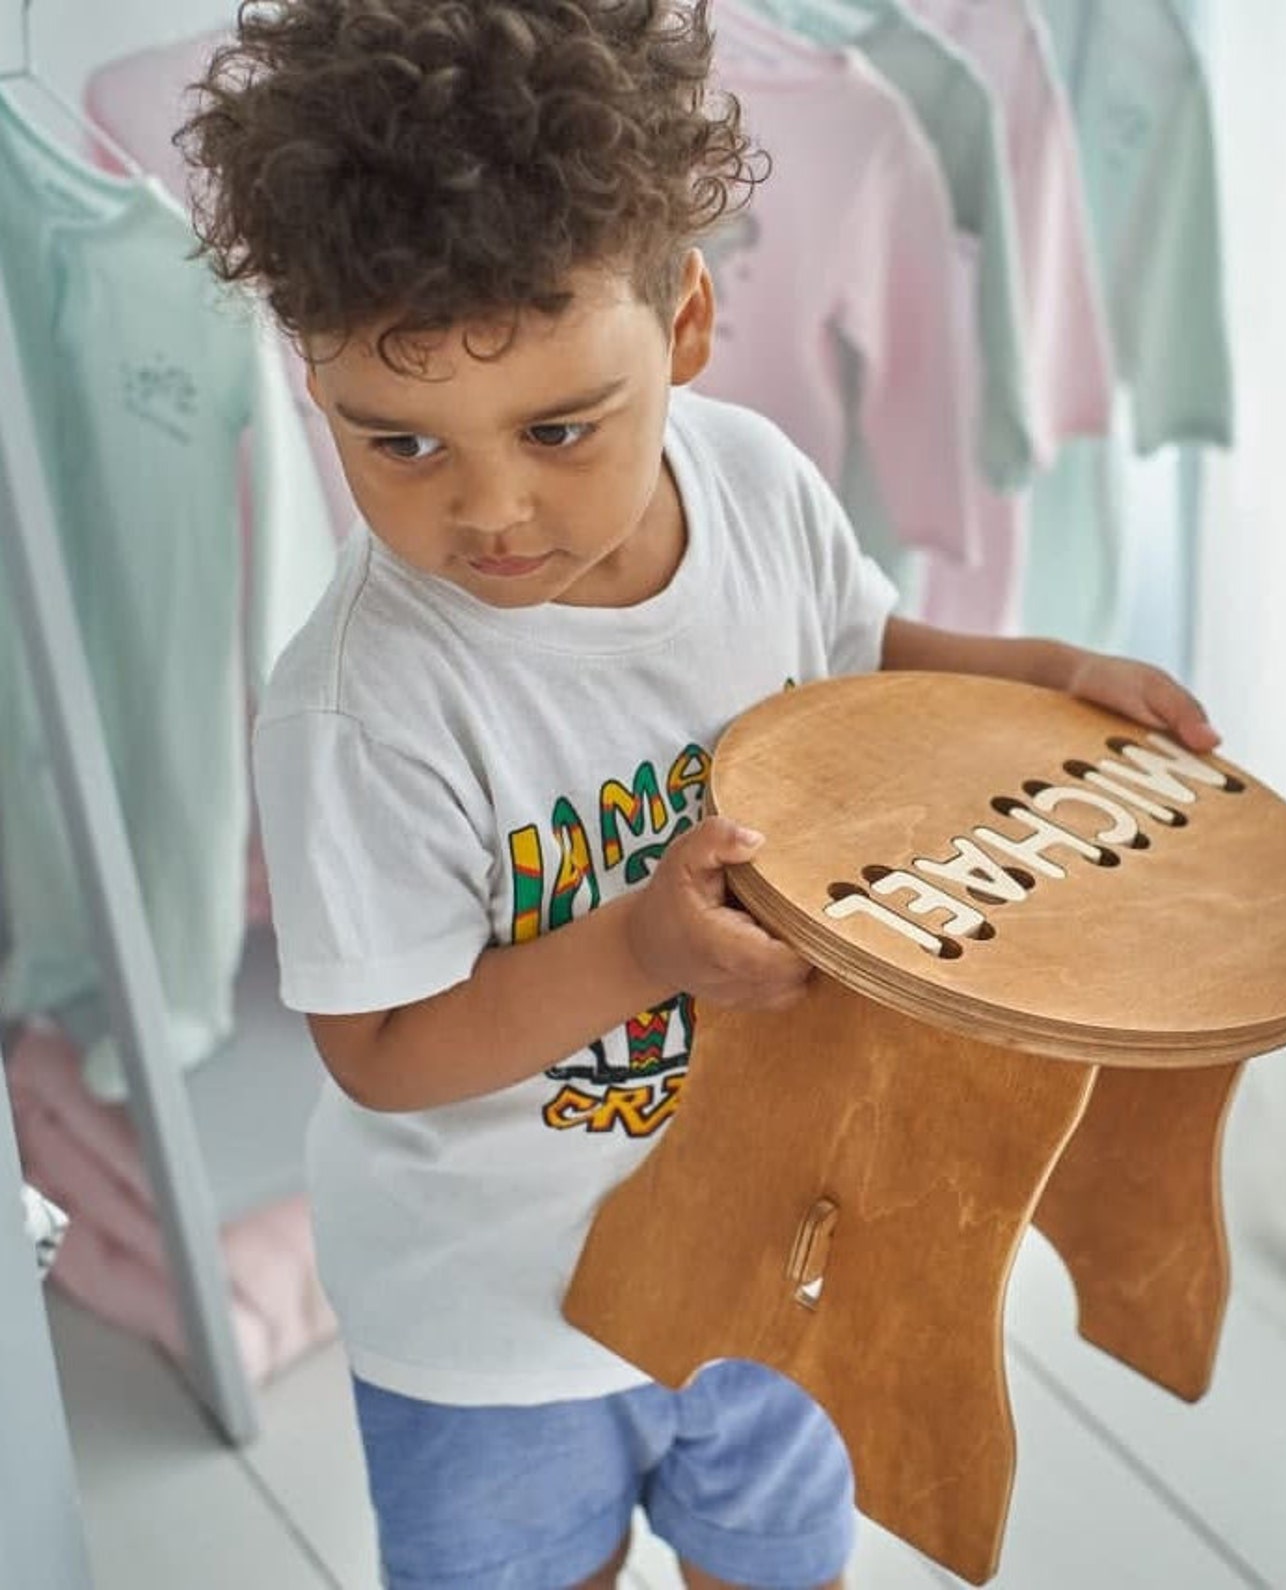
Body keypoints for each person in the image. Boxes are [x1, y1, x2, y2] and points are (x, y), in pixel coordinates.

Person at [179, 3, 1220, 1587]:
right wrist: (638, 953)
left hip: (779, 1236)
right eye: (395, 442)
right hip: (498, 1331)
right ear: (313, 386)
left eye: (558, 427)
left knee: (778, 1559)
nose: (489, 509)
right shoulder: (360, 705)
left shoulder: (751, 484)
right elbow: (380, 1052)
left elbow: (865, 655)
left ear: (682, 327)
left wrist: (1040, 672)